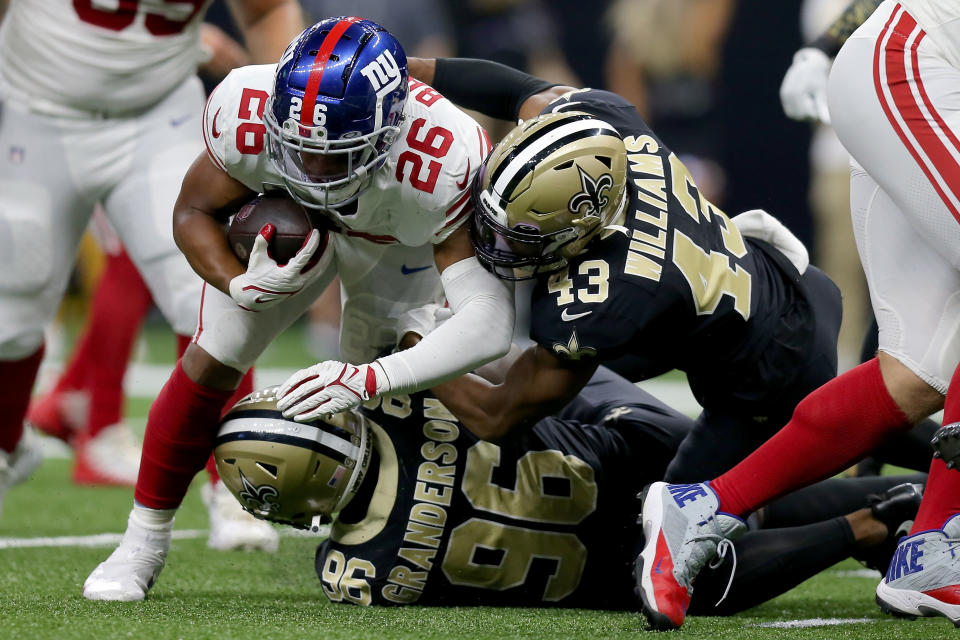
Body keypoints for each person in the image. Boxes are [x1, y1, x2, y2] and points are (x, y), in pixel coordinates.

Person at [82, 16, 515, 602]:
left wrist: (371, 375)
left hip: (397, 245)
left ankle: (379, 532)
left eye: (334, 154)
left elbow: (488, 321)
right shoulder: (246, 102)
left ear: (392, 130)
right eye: (299, 148)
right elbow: (192, 213)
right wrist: (236, 284)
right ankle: (141, 542)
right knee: (214, 355)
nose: (313, 169)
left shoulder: (442, 154)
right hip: (286, 229)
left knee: (392, 390)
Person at [635, 0, 960, 630]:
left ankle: (701, 508)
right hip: (913, 65)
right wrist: (827, 42)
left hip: (914, 74)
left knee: (917, 370)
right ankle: (944, 542)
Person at [395, 58, 842, 487]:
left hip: (770, 371)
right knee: (875, 422)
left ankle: (873, 516)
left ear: (581, 227)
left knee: (681, 520)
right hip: (786, 281)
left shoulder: (603, 295)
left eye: (521, 235)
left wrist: (407, 342)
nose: (498, 246)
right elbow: (519, 91)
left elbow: (496, 415)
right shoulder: (605, 127)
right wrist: (409, 71)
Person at [213, 367, 924, 614]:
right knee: (725, 490)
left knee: (695, 579)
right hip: (642, 451)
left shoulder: (357, 576)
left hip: (612, 567)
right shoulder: (401, 401)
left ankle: (868, 526)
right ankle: (904, 487)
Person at [0, 0, 302, 554]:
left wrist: (293, 117)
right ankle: (5, 446)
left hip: (156, 114)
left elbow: (265, 11)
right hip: (31, 106)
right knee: (10, 311)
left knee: (209, 294)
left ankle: (232, 484)